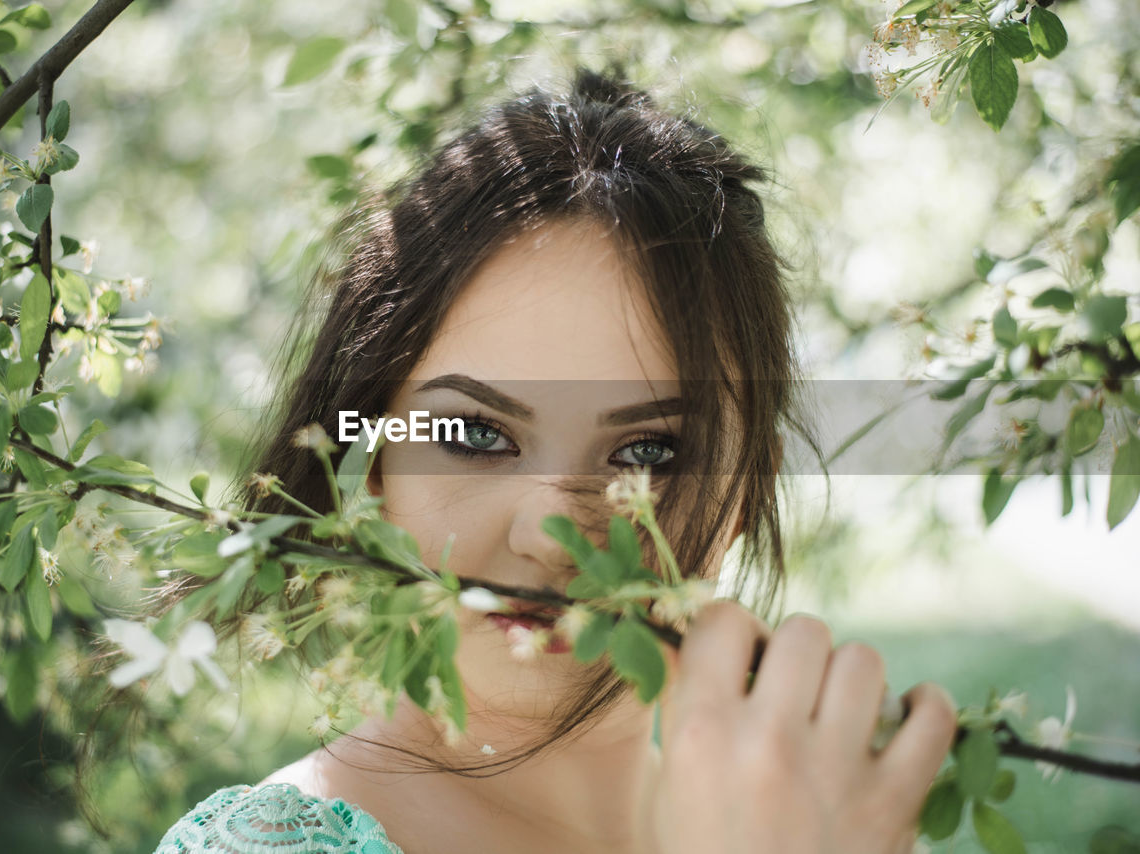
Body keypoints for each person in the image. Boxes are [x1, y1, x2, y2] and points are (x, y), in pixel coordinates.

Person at [152, 67, 957, 854]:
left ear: (746, 490)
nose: (550, 530)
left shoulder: (841, 822)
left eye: (647, 452)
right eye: (473, 436)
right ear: (365, 459)